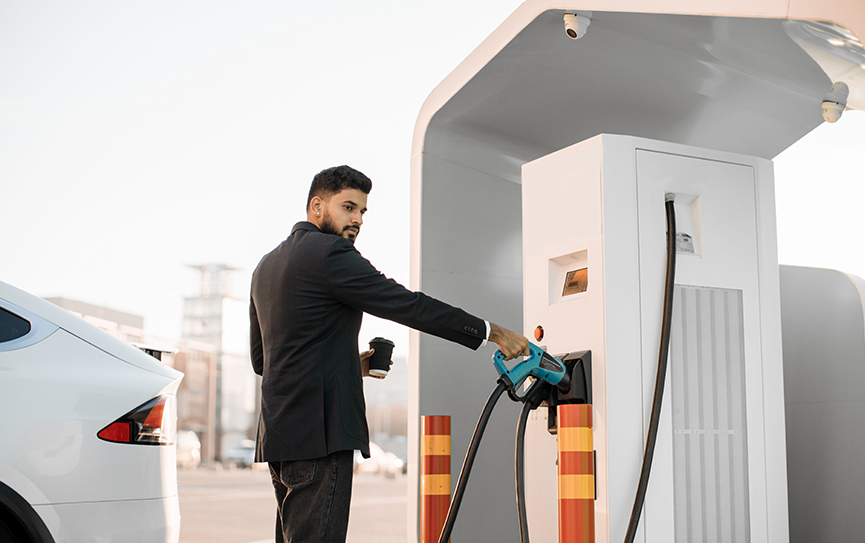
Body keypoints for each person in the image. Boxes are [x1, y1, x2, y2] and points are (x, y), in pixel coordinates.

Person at [249, 165, 529, 543]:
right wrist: (490, 331)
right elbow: (408, 305)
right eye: (348, 207)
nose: (357, 219)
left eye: (363, 211)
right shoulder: (331, 254)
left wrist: (350, 364)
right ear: (317, 206)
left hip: (280, 437)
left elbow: (263, 361)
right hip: (321, 435)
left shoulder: (265, 265)